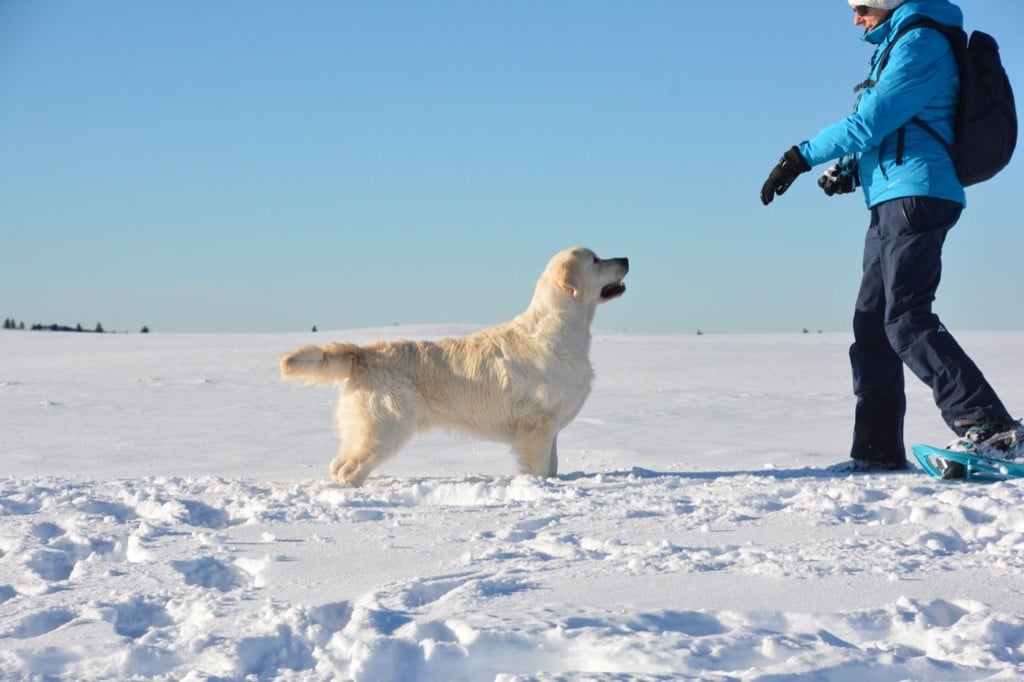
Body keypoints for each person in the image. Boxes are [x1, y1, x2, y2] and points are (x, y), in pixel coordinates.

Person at [759, 0, 1022, 475]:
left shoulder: (921, 42)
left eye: (861, 7)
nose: (855, 18)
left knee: (904, 316)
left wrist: (801, 156)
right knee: (872, 326)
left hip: (918, 196)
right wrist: (850, 171)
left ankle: (991, 428)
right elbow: (892, 129)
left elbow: (872, 121)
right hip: (891, 199)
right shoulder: (898, 44)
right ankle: (877, 449)